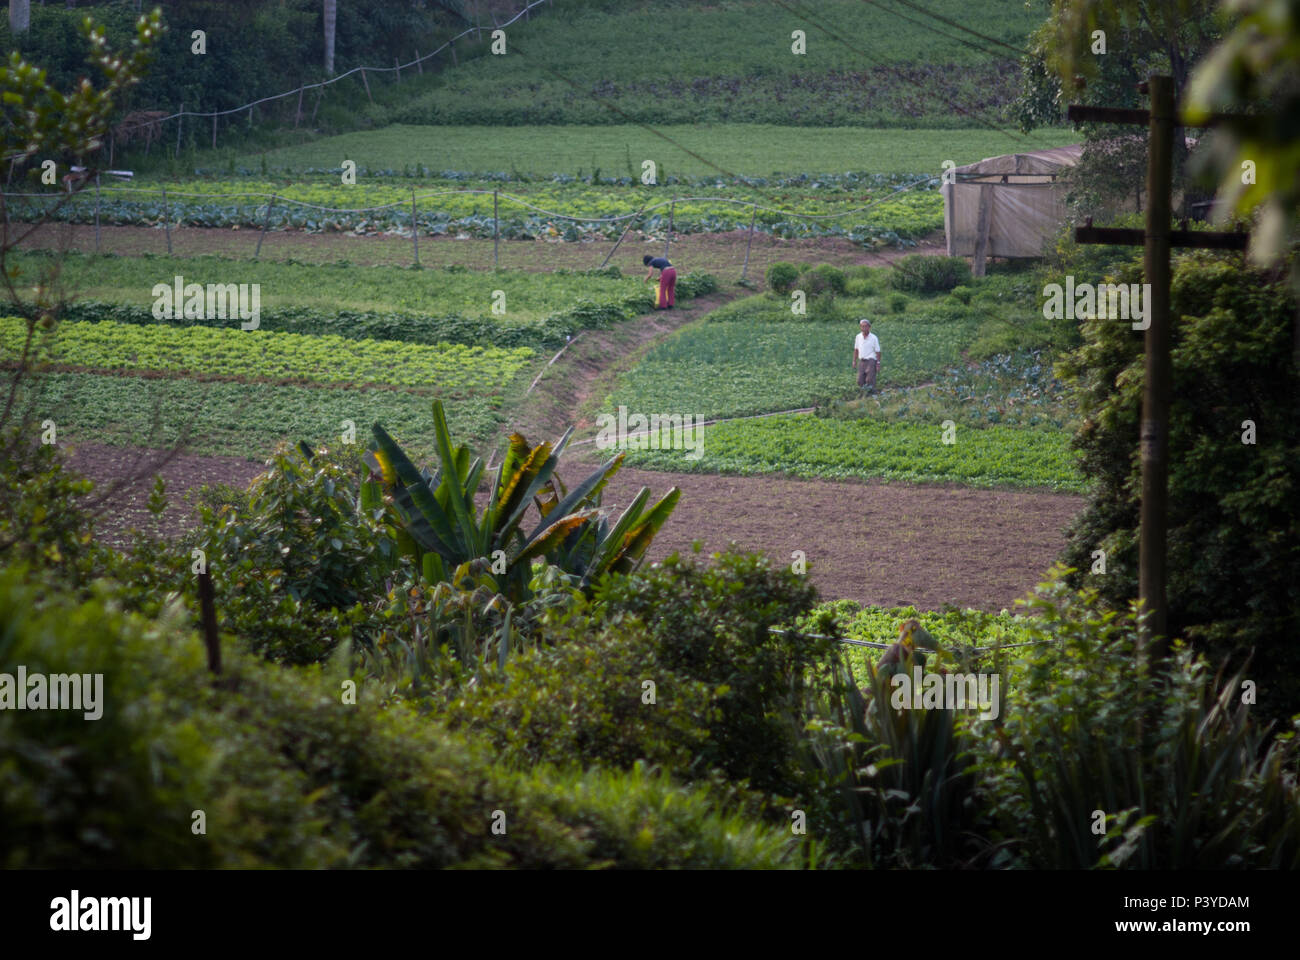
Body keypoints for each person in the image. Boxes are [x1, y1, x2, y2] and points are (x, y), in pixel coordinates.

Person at [853, 318, 881, 393]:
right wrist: (854, 361)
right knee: (859, 380)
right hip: (862, 360)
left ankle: (872, 394)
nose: (864, 328)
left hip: (871, 360)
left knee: (869, 379)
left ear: (869, 327)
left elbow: (878, 351)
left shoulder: (874, 338)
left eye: (865, 326)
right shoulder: (858, 337)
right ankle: (864, 394)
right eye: (862, 326)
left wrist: (878, 363)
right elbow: (856, 349)